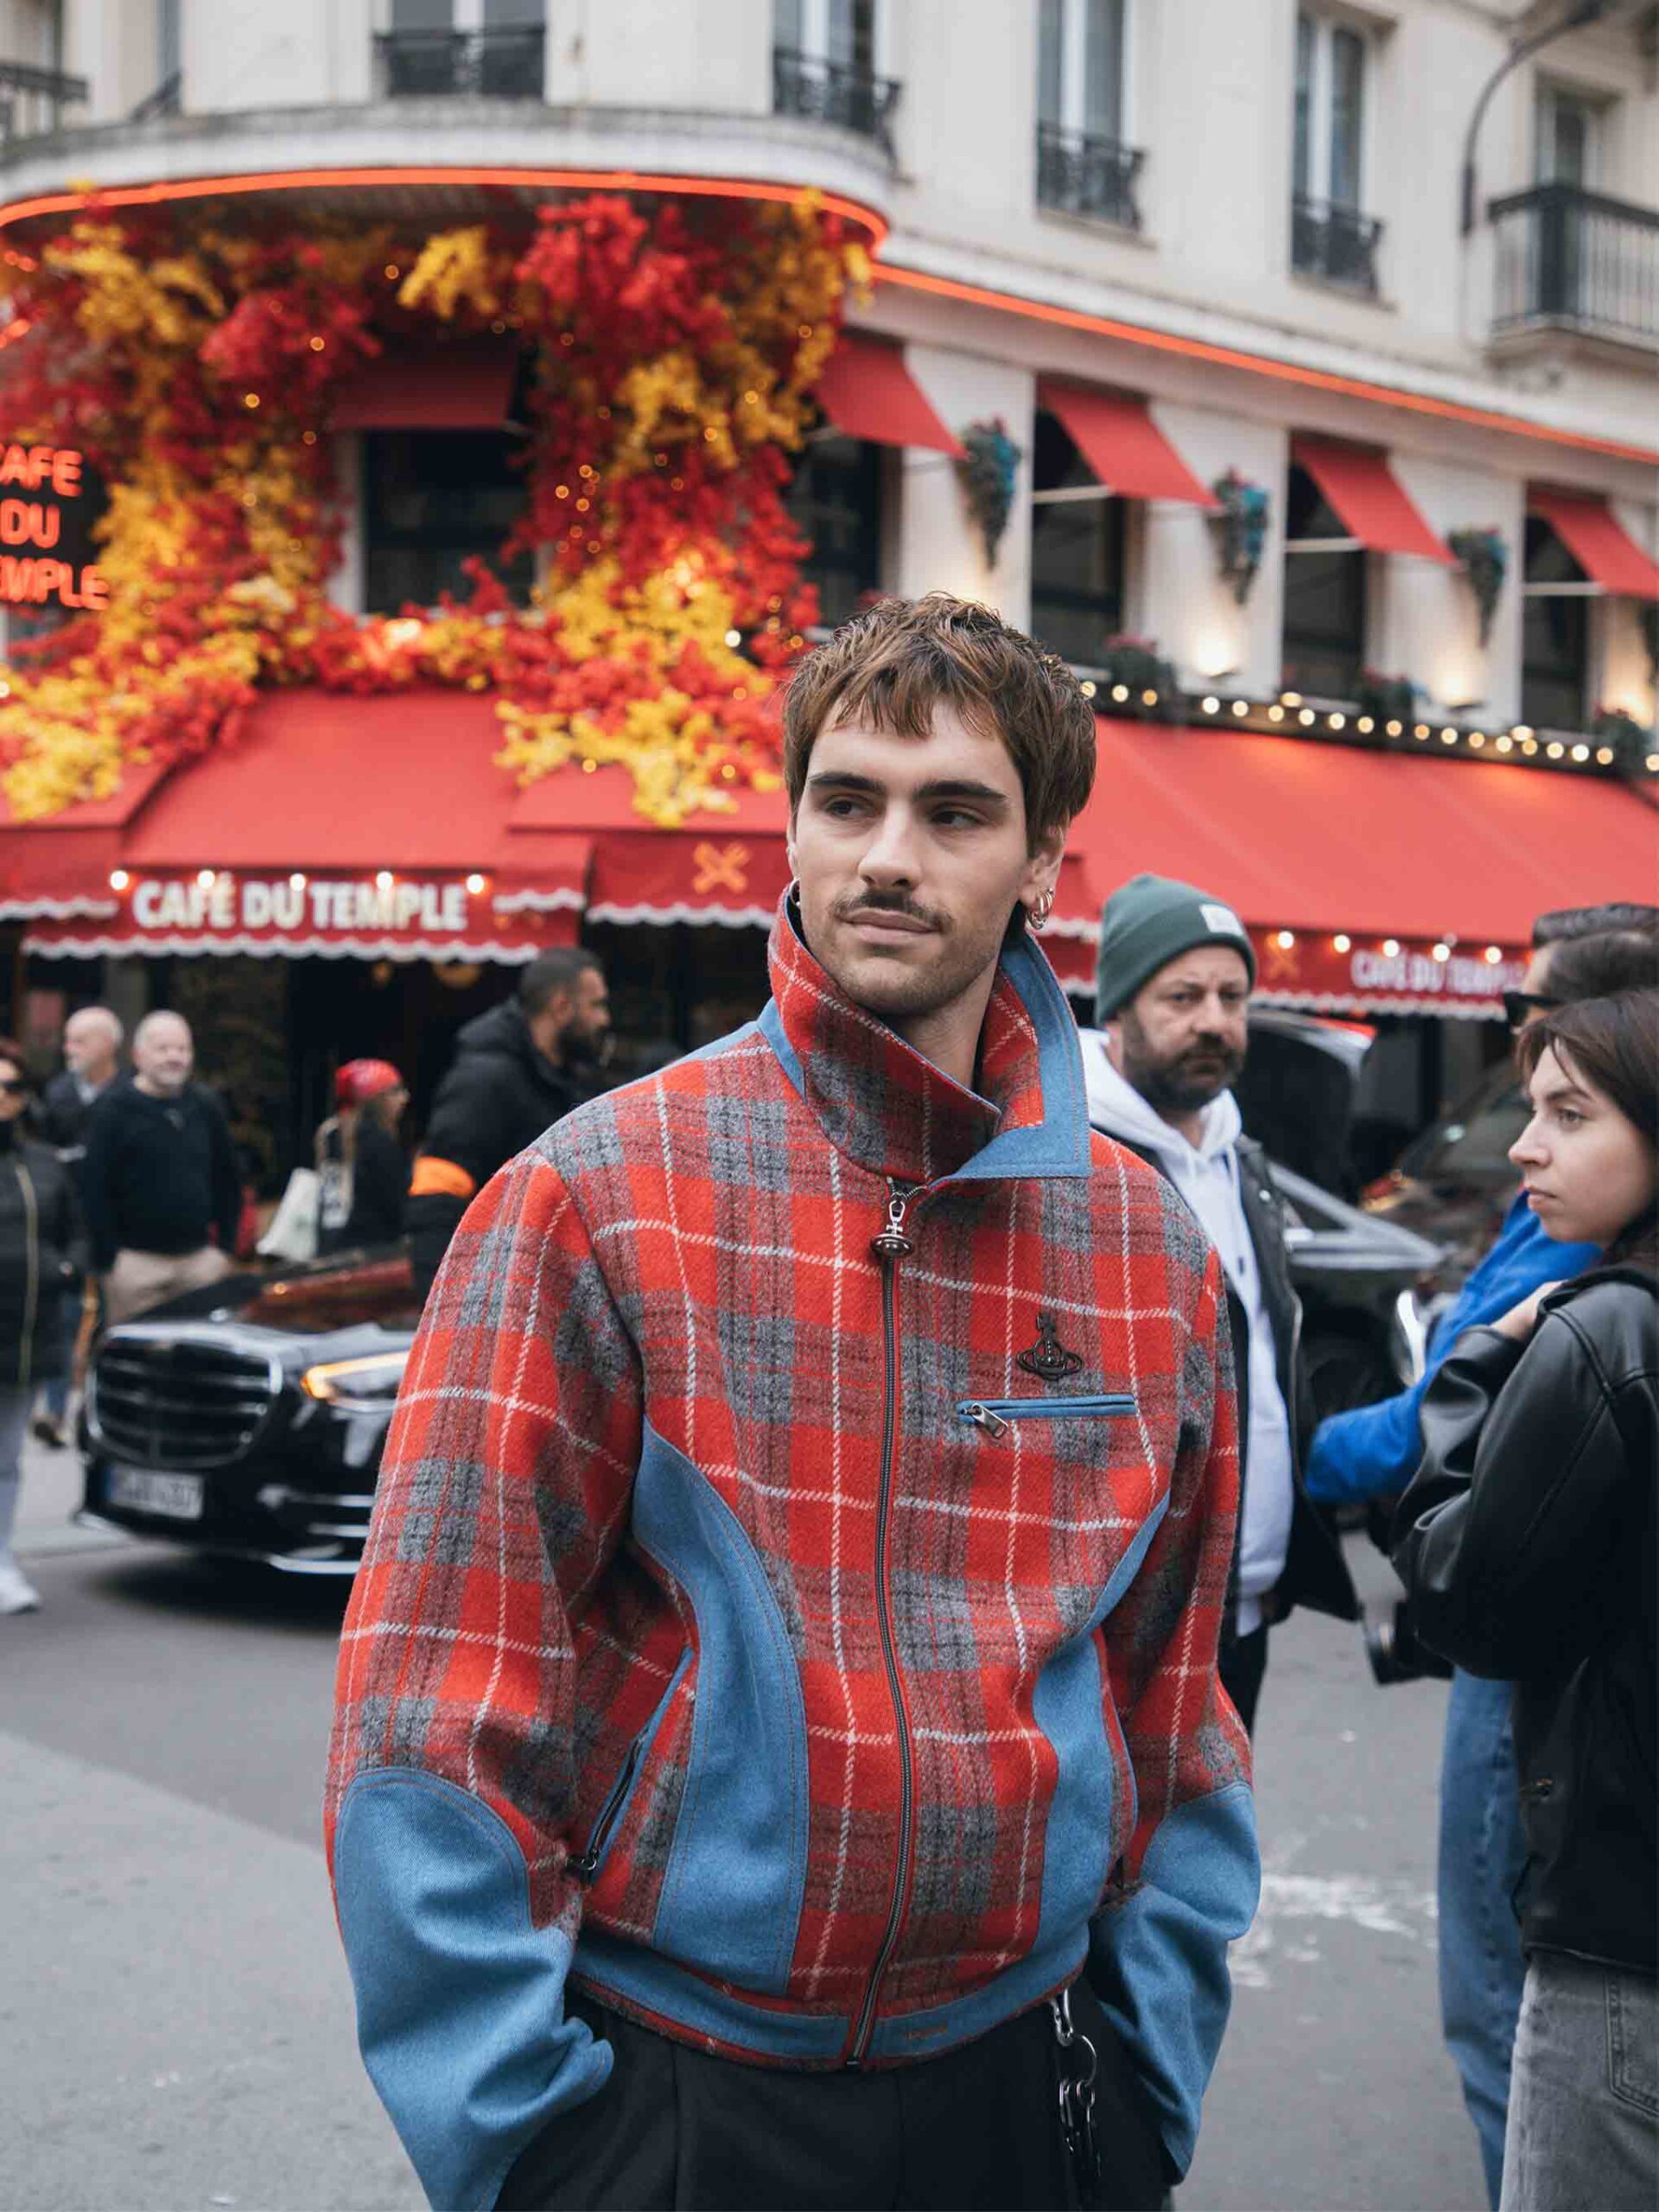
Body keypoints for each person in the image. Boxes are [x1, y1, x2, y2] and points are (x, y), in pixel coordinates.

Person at [327, 594, 1257, 2212]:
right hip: (677, 2099)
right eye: (849, 801)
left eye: (955, 810)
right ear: (798, 822)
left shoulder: (1145, 1246)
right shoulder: (594, 1197)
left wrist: (1141, 2095)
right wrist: (533, 2155)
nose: (889, 854)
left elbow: (1177, 1706)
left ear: (1043, 865)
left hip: (1028, 2091)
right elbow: (430, 1714)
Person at [1306, 910, 1656, 2209]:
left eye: (1566, 1106)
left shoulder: (1600, 1314)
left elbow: (1471, 1596)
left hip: (1611, 1904)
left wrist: (1472, 1369)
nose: (1525, 1142)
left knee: (1502, 2017)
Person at [1080, 873, 1357, 1736]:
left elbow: (1271, 1360)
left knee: (1220, 1854)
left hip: (1247, 1605)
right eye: (1183, 995)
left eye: (1231, 995)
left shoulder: (1246, 1161)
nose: (1213, 1019)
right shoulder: (1073, 1157)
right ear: (1118, 1010)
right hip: (1129, 1619)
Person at [405, 948, 610, 1300]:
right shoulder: (486, 1079)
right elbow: (436, 1197)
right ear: (561, 1007)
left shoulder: (563, 1079)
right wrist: (445, 1307)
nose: (604, 1019)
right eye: (595, 1005)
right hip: (488, 1296)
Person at [81, 1010, 243, 1327]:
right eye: (164, 1049)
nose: (175, 1057)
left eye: (183, 1049)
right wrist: (109, 1261)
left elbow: (229, 1178)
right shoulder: (113, 1110)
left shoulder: (206, 1105)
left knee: (199, 1359)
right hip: (134, 1265)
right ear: (138, 1055)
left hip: (200, 1263)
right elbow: (93, 1187)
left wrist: (225, 1248)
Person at [0, 1038, 88, 1616]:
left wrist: (68, 1266)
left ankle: (1, 1561)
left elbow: (76, 1231)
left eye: (9, 1086)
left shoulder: (41, 1163)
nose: (1, 1097)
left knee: (7, 1457)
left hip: (26, 1336)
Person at [30, 1004, 124, 1446]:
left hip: (116, 1230)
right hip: (66, 1228)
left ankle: (97, 1415)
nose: (68, 1049)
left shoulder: (127, 1094)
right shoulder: (58, 1093)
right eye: (67, 1039)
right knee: (65, 1320)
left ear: (107, 1044)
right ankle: (54, 1411)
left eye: (79, 1040)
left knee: (110, 1326)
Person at [316, 1058, 410, 1254]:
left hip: (330, 1248)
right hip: (371, 1251)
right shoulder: (377, 1140)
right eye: (396, 1090)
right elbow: (395, 1204)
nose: (404, 1098)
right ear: (377, 1098)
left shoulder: (329, 1133)